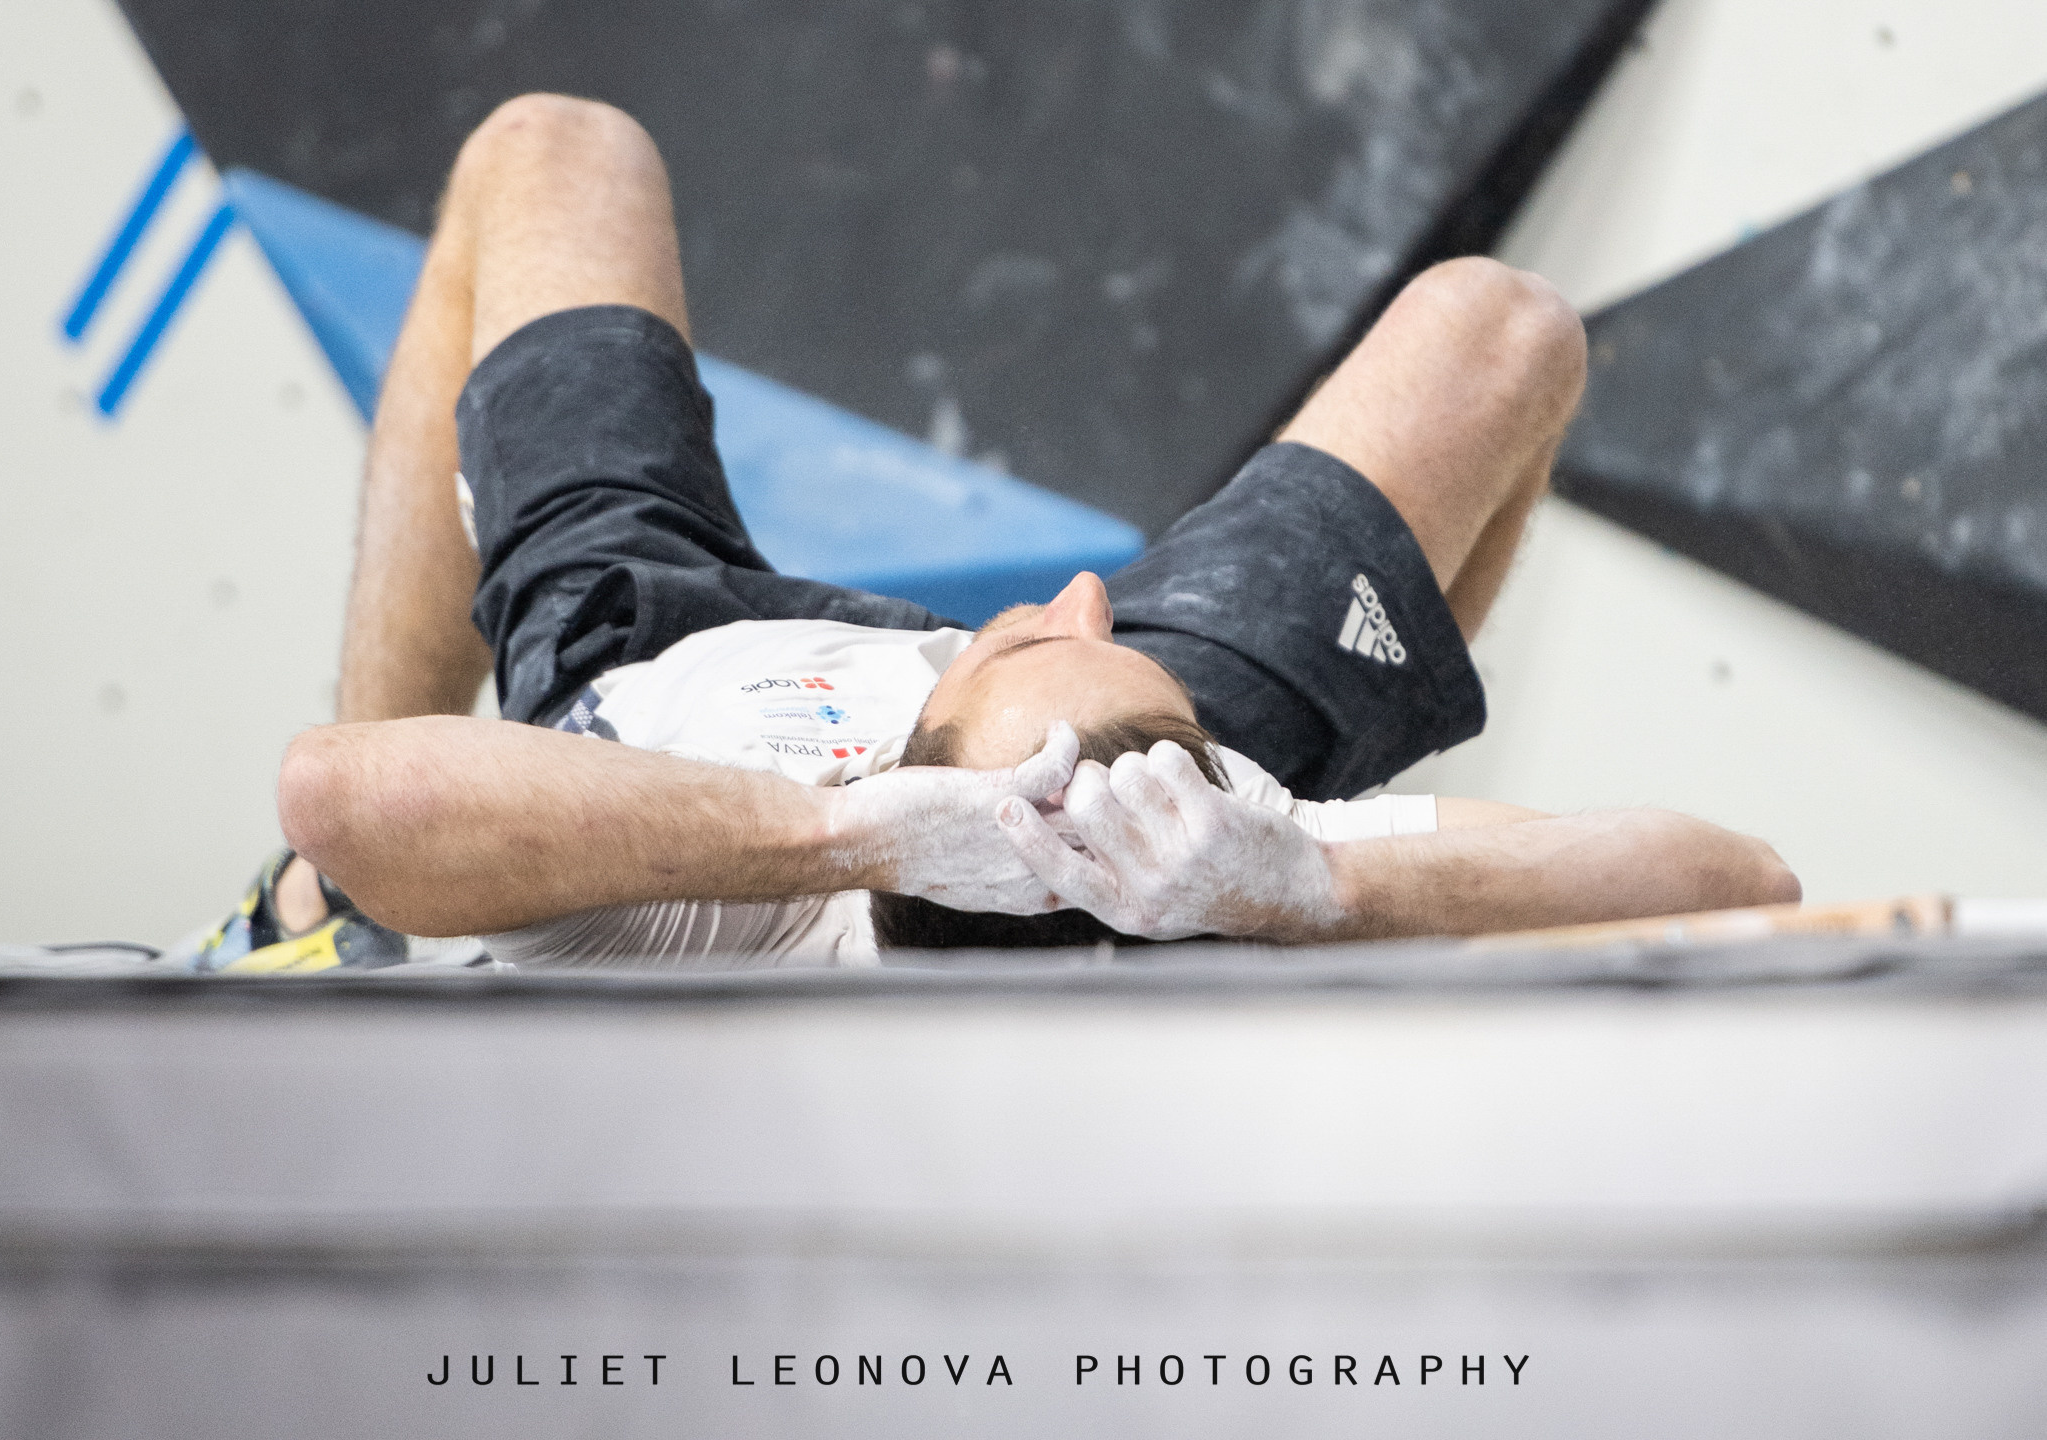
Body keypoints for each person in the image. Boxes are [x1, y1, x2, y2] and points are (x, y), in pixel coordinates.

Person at [189, 94, 1796, 971]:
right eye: (1087, 642)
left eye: (1031, 636)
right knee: (1500, 333)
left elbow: (347, 788)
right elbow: (1738, 878)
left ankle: (331, 932)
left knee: (554, 151)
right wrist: (1308, 878)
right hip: (1154, 809)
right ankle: (1244, 733)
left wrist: (850, 833)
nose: (1079, 594)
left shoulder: (714, 898)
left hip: (660, 654)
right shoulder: (1206, 832)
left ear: (899, 751)